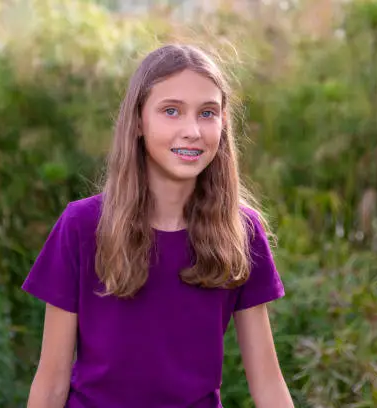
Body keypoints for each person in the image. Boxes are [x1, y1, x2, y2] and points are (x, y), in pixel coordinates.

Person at [21, 44, 294, 408]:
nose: (192, 130)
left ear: (223, 123)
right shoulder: (82, 226)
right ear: (137, 121)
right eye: (171, 111)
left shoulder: (241, 231)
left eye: (207, 113)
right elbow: (51, 383)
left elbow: (268, 386)